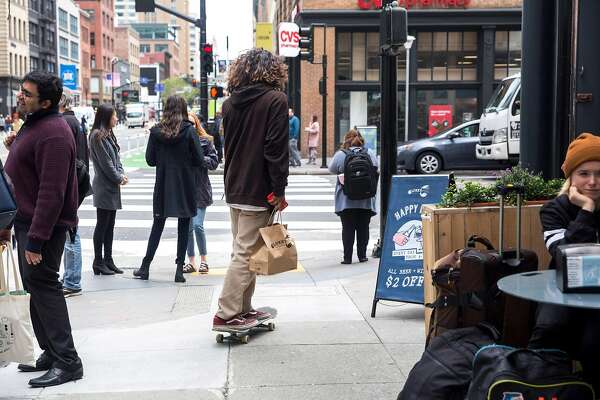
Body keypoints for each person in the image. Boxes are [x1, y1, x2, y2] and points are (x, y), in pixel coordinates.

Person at [1, 71, 83, 387]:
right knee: (36, 287)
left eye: (27, 93)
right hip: (26, 222)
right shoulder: (35, 125)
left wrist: (36, 239)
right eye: (21, 91)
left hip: (43, 227)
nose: (20, 96)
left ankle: (68, 361)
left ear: (45, 102)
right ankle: (50, 351)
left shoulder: (53, 133)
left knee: (45, 287)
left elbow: (52, 191)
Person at [213, 48, 289, 332]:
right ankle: (226, 312)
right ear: (272, 71)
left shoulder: (230, 104)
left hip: (235, 187)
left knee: (244, 250)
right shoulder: (275, 100)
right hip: (260, 189)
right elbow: (275, 149)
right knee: (246, 253)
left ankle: (243, 308)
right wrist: (278, 190)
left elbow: (229, 147)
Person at [528, 132, 600, 391]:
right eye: (584, 173)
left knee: (593, 341)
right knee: (549, 330)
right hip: (563, 290)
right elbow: (564, 256)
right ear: (571, 176)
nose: (592, 181)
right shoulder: (554, 210)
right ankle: (541, 386)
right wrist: (587, 210)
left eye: (599, 173)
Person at [133, 95, 204, 283]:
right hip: (185, 184)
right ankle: (179, 270)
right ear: (183, 109)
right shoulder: (189, 131)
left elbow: (150, 160)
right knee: (183, 226)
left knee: (157, 225)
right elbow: (198, 159)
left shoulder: (156, 131)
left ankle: (145, 267)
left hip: (164, 184)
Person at [328, 129, 378, 264]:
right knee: (363, 228)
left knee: (348, 228)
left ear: (346, 140)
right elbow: (376, 167)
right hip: (366, 200)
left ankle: (347, 257)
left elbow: (331, 169)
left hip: (346, 200)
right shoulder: (369, 153)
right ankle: (362, 256)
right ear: (361, 139)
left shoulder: (341, 154)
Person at [89, 104, 127, 276]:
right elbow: (106, 163)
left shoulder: (108, 135)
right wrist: (119, 177)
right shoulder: (97, 136)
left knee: (109, 225)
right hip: (104, 186)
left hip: (111, 186)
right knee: (102, 224)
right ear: (106, 117)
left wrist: (121, 173)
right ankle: (98, 261)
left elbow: (116, 160)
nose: (116, 119)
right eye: (114, 116)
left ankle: (108, 260)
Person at [60, 89, 91, 296]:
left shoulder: (67, 122)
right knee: (70, 232)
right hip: (76, 183)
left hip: (71, 184)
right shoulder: (74, 121)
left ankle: (72, 280)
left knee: (71, 233)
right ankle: (70, 278)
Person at [183, 113, 219, 274]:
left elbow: (214, 163)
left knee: (198, 225)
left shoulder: (206, 141)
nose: (189, 126)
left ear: (197, 124)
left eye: (192, 123)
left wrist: (199, 158)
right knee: (187, 229)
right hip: (184, 190)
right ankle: (191, 261)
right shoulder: (179, 141)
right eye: (186, 123)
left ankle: (204, 260)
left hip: (201, 189)